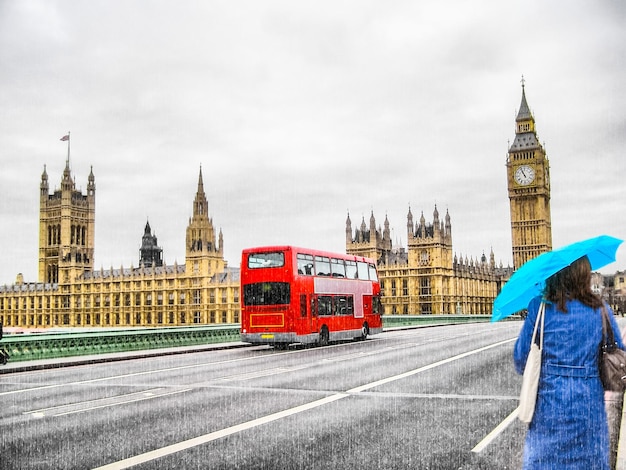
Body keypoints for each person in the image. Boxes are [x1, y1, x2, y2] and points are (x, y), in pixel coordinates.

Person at [514, 256, 624, 469]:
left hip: (549, 410)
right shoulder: (601, 309)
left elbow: (521, 360)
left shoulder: (540, 308)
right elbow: (618, 354)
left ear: (555, 276)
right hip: (588, 408)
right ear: (584, 276)